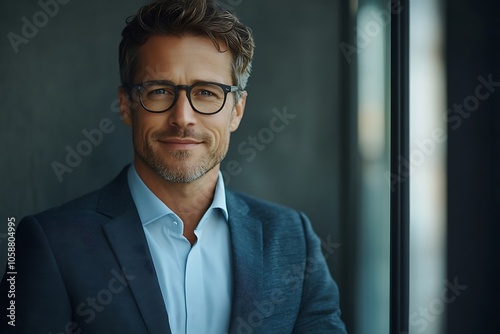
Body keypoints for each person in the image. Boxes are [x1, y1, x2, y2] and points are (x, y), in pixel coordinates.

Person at [0, 0, 347, 333]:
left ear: (237, 110)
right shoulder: (45, 242)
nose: (183, 118)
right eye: (159, 91)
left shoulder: (292, 238)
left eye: (207, 92)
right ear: (126, 104)